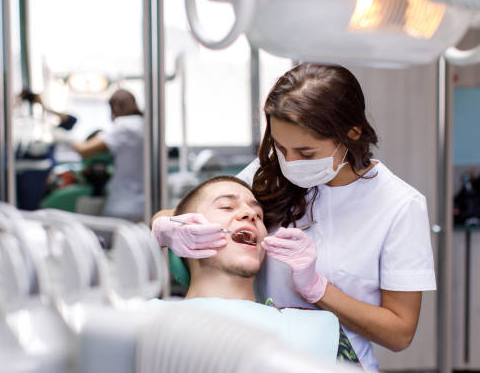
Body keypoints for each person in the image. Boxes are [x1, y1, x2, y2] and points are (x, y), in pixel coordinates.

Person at [151, 63, 436, 371]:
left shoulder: (400, 206)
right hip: (254, 353)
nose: (289, 162)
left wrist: (318, 289)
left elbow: (399, 332)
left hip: (334, 359)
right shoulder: (271, 172)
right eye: (279, 146)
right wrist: (166, 226)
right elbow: (200, 207)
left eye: (306, 152)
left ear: (351, 134)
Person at [152, 175, 360, 365]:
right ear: (185, 231)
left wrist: (316, 286)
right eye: (226, 207)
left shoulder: (319, 329)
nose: (250, 214)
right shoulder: (144, 322)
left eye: (258, 215)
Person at [62, 89, 144, 222]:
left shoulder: (125, 126)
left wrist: (65, 137)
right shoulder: (146, 124)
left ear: (115, 107)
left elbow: (85, 150)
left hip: (125, 206)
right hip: (146, 204)